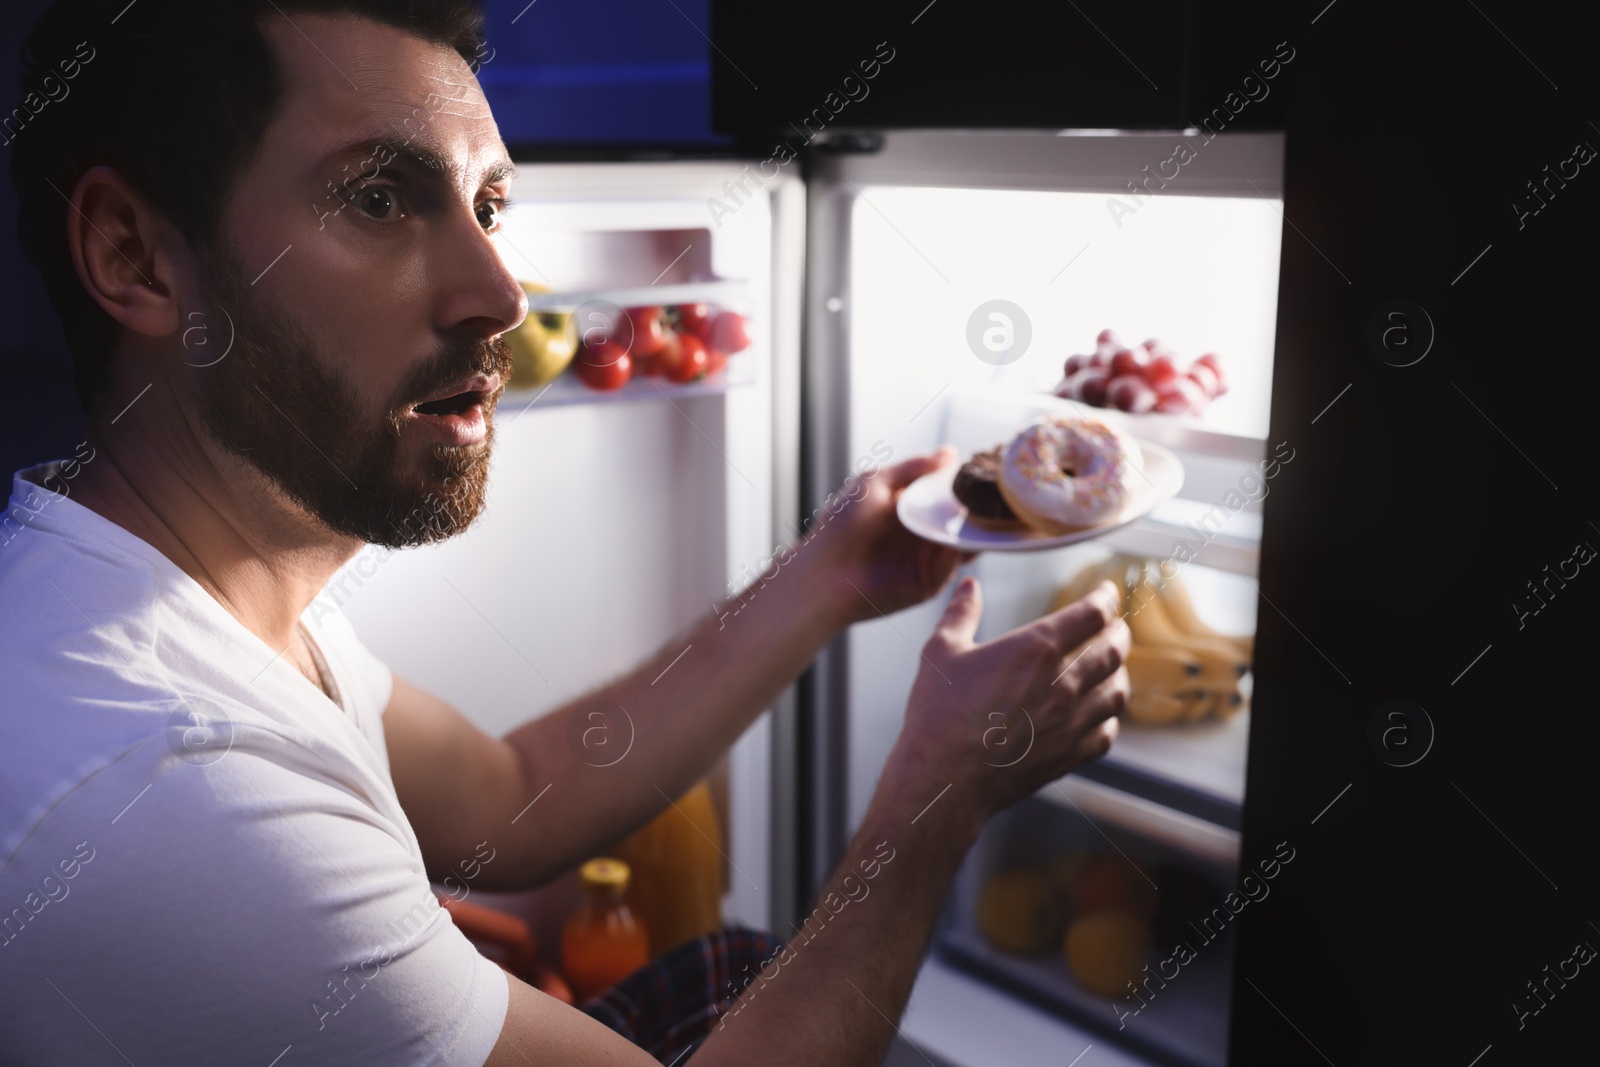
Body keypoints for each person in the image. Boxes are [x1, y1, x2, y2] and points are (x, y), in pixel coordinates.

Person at [0, 2, 1129, 1064]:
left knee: (738, 960)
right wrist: (937, 794)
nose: (501, 293)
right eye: (379, 198)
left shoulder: (190, 593)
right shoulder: (172, 784)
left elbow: (513, 797)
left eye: (489, 206)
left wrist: (825, 573)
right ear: (134, 257)